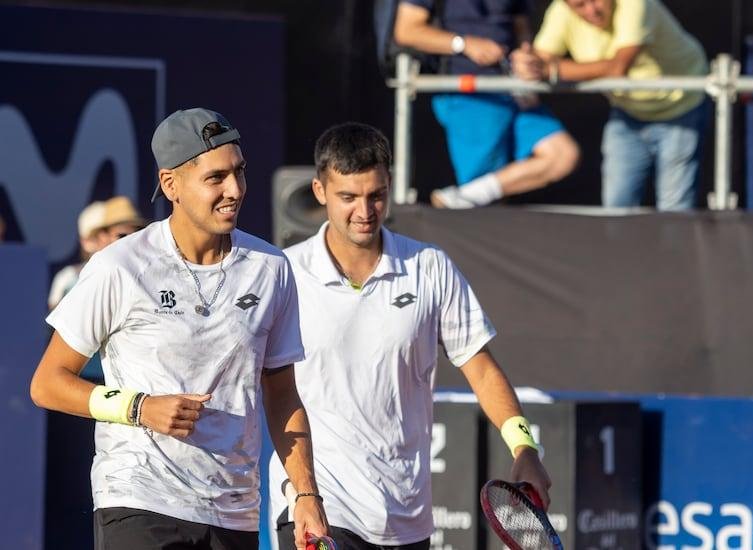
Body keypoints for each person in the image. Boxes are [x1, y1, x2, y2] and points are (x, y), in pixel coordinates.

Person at [28, 108, 329, 550]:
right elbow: (47, 383)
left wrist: (305, 494)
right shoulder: (120, 266)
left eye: (239, 173)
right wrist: (138, 408)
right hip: (138, 498)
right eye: (216, 178)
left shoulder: (271, 268)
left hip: (234, 509)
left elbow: (282, 394)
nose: (234, 190)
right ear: (172, 185)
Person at [268, 122, 551, 550]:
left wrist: (523, 446)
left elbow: (481, 368)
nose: (364, 211)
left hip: (405, 516)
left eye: (376, 195)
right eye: (348, 197)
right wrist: (302, 493)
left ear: (390, 187)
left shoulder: (430, 267)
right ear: (320, 191)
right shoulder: (283, 273)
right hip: (318, 508)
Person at [512, 0, 708, 211]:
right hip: (627, 112)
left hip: (680, 109)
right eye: (579, 5)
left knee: (674, 207)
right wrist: (528, 65)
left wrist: (551, 70)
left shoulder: (635, 4)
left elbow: (617, 68)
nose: (591, 10)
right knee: (616, 206)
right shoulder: (560, 10)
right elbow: (540, 60)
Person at [389, 0, 579, 208]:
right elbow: (406, 30)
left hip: (513, 88)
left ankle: (456, 199)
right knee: (484, 202)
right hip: (469, 94)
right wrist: (463, 44)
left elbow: (520, 26)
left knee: (562, 155)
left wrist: (525, 59)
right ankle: (459, 203)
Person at [49, 196, 147, 310]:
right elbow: (58, 324)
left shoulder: (147, 275)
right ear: (102, 237)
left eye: (137, 234)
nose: (130, 242)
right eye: (122, 236)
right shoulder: (70, 279)